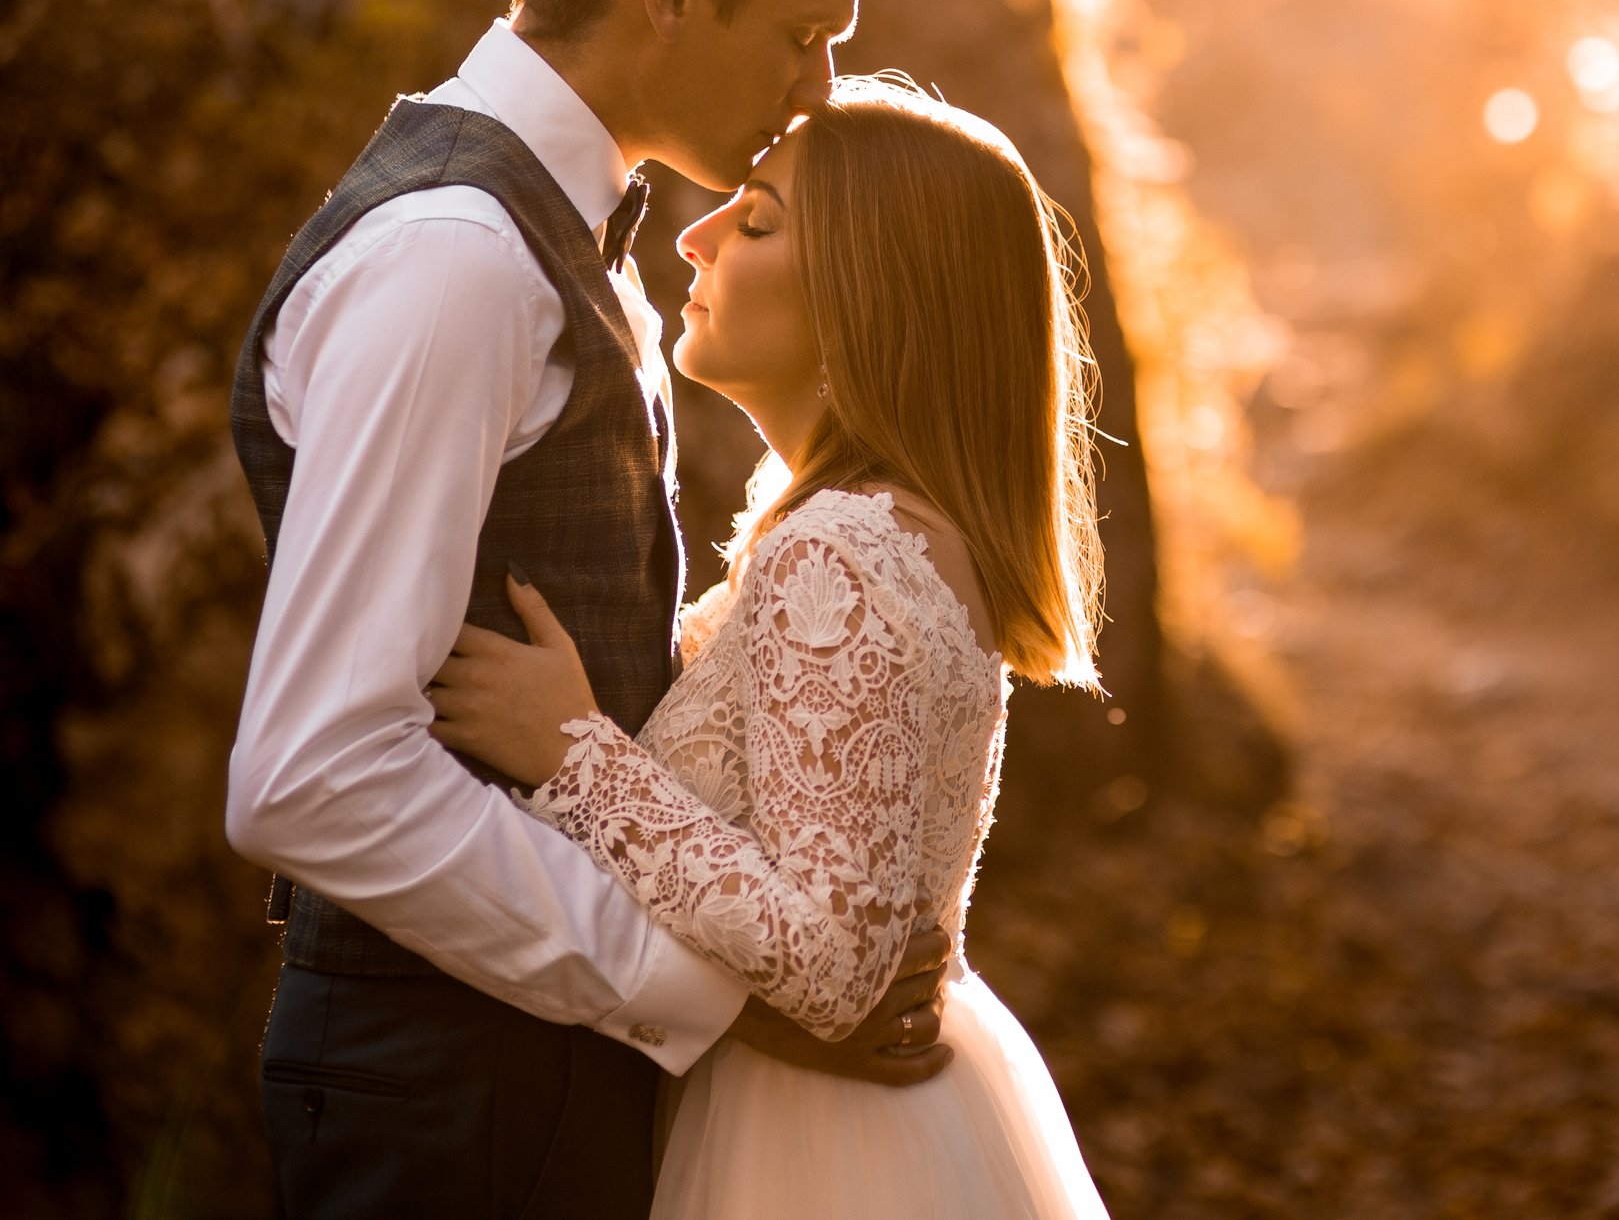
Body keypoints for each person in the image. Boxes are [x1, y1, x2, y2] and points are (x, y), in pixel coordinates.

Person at [225, 0, 958, 1219]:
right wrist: (695, 987)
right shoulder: (460, 263)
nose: (818, 87)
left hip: (535, 1062)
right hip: (452, 1092)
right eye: (800, 34)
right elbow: (315, 771)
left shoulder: (571, 243)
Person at [425, 80, 1112, 1217]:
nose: (692, 234)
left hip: (819, 1148)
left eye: (753, 220)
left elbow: (835, 962)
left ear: (864, 295)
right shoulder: (887, 529)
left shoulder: (838, 554)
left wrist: (574, 755)